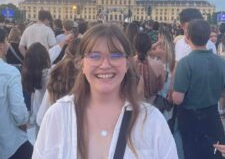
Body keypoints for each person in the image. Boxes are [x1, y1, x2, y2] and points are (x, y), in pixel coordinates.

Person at [32, 23, 178, 159]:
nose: (105, 65)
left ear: (127, 63)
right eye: (95, 56)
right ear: (81, 63)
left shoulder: (152, 121)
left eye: (115, 55)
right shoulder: (57, 115)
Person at [173, 19, 225, 159]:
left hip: (191, 119)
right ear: (209, 37)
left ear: (187, 37)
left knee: (193, 153)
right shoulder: (221, 62)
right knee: (214, 153)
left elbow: (178, 99)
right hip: (213, 116)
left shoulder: (185, 64)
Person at [0, 27, 33, 159]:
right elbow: (19, 113)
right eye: (7, 40)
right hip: (9, 143)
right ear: (1, 46)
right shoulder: (9, 72)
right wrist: (25, 121)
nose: (8, 44)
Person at [133, 32, 165, 103]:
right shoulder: (158, 65)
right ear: (149, 47)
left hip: (134, 103)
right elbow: (161, 87)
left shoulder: (129, 64)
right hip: (152, 102)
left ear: (135, 47)